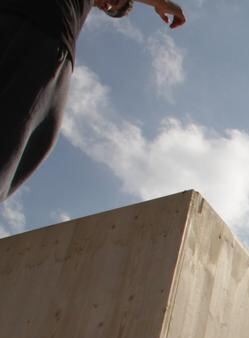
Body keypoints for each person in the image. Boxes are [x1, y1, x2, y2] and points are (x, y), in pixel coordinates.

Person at [0, 0, 186, 202]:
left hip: (35, 33)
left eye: (109, 9)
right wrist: (162, 3)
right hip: (40, 34)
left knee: (35, 140)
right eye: (115, 2)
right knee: (23, 133)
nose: (107, 7)